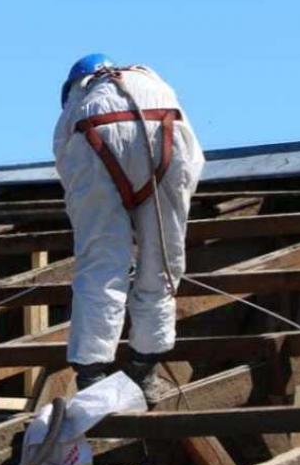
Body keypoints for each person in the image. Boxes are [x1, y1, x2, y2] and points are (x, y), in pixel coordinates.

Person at [53, 55, 204, 401]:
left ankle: (91, 376)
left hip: (93, 132)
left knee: (101, 263)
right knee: (163, 260)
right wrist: (157, 216)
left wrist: (108, 221)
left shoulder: (80, 99)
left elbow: (69, 175)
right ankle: (145, 370)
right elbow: (192, 167)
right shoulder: (155, 82)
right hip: (167, 127)